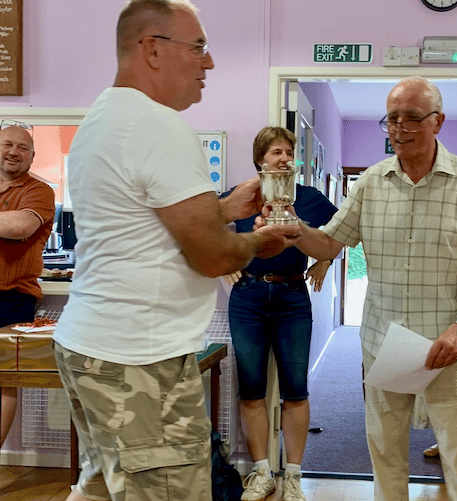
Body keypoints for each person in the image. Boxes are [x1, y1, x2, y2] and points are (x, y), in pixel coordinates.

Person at [52, 2, 300, 501]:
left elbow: (142, 223)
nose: (209, 64)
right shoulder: (157, 126)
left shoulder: (103, 117)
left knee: (103, 487)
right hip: (139, 362)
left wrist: (225, 209)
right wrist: (258, 241)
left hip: (92, 347)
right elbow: (213, 258)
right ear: (152, 50)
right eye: (200, 48)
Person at [285, 76, 457, 501]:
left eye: (412, 117)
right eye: (391, 119)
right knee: (386, 461)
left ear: (438, 121)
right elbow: (330, 243)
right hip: (384, 345)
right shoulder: (371, 182)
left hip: (451, 347)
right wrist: (292, 229)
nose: (400, 128)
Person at [222, 126, 337, 501]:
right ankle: (260, 473)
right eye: (276, 152)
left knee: (295, 389)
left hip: (291, 298)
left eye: (289, 152)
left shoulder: (308, 198)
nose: (285, 158)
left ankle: (293, 476)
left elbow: (344, 232)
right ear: (260, 160)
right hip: (248, 297)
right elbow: (208, 230)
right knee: (251, 388)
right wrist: (226, 263)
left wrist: (326, 259)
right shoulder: (244, 196)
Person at [0, 122, 55, 448]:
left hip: (11, 298)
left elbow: (20, 226)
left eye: (23, 148)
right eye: (8, 144)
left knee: (3, 382)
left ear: (32, 157)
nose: (13, 152)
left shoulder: (39, 191)